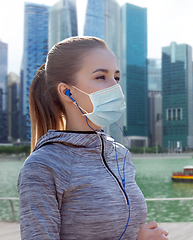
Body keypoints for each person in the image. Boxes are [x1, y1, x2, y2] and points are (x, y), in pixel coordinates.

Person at [17, 36, 169, 240]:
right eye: (101, 77)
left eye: (116, 77)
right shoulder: (43, 166)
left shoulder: (119, 153)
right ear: (67, 91)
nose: (115, 87)